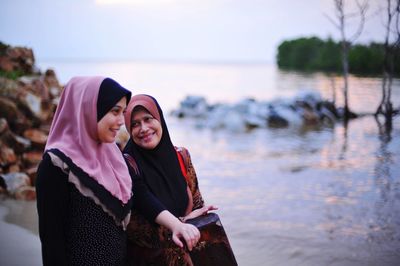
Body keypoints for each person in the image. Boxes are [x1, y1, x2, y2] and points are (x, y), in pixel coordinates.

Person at [36, 76, 133, 266]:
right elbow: (52, 244)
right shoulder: (56, 165)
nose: (122, 121)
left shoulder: (114, 156)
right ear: (88, 109)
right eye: (115, 111)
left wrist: (179, 220)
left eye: (124, 112)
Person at [123, 94, 217, 265]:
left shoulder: (182, 156)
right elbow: (136, 231)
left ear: (160, 119)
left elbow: (198, 206)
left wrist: (192, 221)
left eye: (148, 119)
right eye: (135, 124)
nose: (143, 128)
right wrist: (182, 223)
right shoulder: (126, 165)